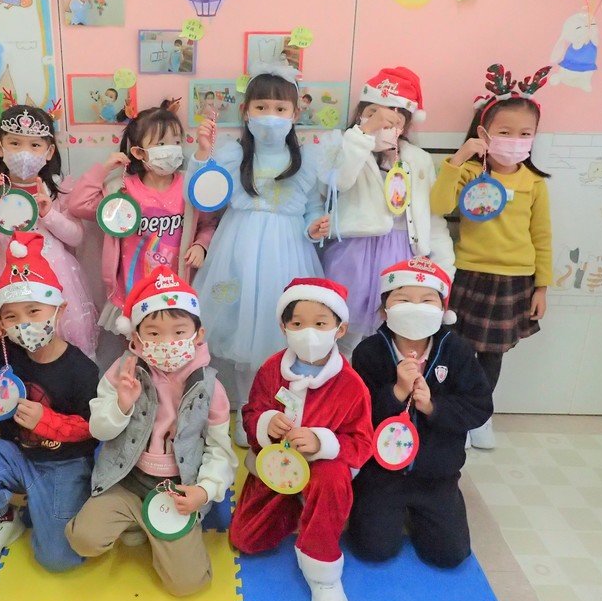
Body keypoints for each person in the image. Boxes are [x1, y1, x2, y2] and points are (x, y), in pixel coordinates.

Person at [65, 266, 237, 596]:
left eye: (179, 331)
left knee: (189, 584)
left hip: (176, 490)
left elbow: (220, 450)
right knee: (83, 539)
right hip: (127, 479)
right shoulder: (124, 371)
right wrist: (121, 405)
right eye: (154, 333)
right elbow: (99, 430)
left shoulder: (210, 387)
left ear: (198, 334)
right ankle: (137, 520)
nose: (167, 343)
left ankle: (155, 530)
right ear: (136, 338)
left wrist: (205, 491)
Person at [189, 62, 335, 445]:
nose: (271, 116)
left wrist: (315, 225)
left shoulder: (307, 161)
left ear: (295, 114)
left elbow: (311, 208)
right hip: (237, 248)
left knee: (281, 330)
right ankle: (246, 411)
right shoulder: (232, 154)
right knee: (241, 332)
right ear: (246, 111)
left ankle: (280, 413)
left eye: (280, 108)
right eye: (262, 107)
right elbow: (202, 193)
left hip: (289, 250)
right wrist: (202, 153)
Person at [0, 233, 99, 575]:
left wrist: (46, 422)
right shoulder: (2, 354)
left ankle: (47, 504)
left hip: (65, 464)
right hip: (18, 456)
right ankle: (2, 516)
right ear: (0, 322)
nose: (24, 324)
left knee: (59, 560)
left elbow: (92, 430)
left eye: (34, 311)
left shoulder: (82, 369)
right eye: (11, 317)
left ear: (59, 310)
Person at [229, 278, 372, 601]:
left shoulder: (351, 384)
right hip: (276, 465)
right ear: (284, 327)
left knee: (332, 477)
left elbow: (362, 442)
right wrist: (265, 423)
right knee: (246, 539)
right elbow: (250, 413)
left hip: (323, 471)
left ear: (340, 329)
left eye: (320, 323)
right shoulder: (271, 369)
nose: (309, 332)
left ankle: (323, 570)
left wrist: (323, 442)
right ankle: (301, 508)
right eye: (297, 323)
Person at [430, 63, 553, 449]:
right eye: (505, 132)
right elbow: (438, 205)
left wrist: (542, 287)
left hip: (516, 282)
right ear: (484, 133)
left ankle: (479, 418)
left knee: (493, 356)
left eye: (525, 133)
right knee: (457, 350)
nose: (515, 140)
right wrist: (458, 159)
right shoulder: (469, 172)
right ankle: (453, 415)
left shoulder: (534, 183)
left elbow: (542, 237)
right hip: (470, 275)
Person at [349, 257, 492, 568]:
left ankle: (425, 512)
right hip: (381, 474)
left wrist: (432, 407)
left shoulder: (457, 351)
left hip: (436, 475)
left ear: (442, 310)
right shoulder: (369, 352)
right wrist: (396, 393)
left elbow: (479, 405)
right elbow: (356, 414)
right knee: (372, 550)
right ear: (384, 310)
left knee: (450, 555)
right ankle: (386, 510)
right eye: (403, 299)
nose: (415, 307)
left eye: (427, 300)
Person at [321, 67, 454, 353]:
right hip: (354, 254)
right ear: (360, 114)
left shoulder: (418, 159)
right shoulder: (345, 146)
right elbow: (339, 181)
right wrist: (363, 134)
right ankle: (343, 379)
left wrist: (443, 267)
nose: (382, 122)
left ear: (405, 125)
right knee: (343, 333)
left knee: (390, 334)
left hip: (401, 255)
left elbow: (431, 218)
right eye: (373, 113)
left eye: (393, 119)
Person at [0, 104, 98, 358]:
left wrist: (49, 214)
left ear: (49, 151)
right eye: (14, 143)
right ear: (0, 147)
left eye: (35, 145)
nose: (24, 152)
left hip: (56, 276)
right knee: (8, 348)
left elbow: (77, 237)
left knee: (58, 344)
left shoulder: (58, 189)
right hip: (5, 276)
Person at [69, 102, 215, 335]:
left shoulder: (189, 186)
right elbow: (79, 205)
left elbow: (208, 223)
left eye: (176, 142)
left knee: (174, 343)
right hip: (133, 291)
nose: (171, 149)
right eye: (161, 144)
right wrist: (104, 169)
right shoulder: (121, 188)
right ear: (139, 152)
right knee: (135, 347)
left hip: (177, 291)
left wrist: (201, 245)